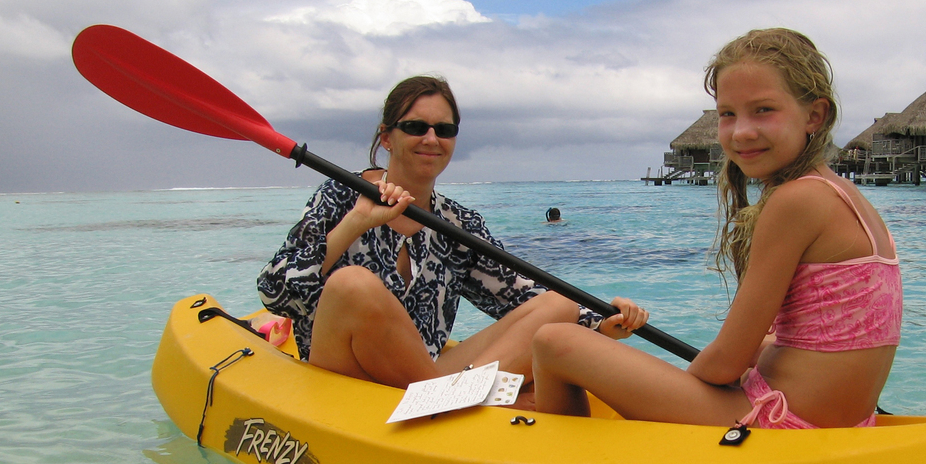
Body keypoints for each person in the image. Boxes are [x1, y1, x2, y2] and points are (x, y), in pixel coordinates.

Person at [531, 28, 900, 428]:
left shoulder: (796, 201)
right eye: (728, 114)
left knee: (555, 341)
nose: (741, 131)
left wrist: (680, 391)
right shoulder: (847, 198)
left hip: (781, 422)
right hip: (838, 420)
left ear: (815, 115)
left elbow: (726, 361)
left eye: (763, 110)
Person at [258, 75, 646, 389]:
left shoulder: (458, 224)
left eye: (444, 129)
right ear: (387, 137)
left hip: (424, 375)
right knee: (352, 285)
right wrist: (357, 222)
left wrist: (602, 323)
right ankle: (450, 401)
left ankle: (443, 401)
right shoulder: (341, 195)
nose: (431, 138)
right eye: (415, 127)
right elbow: (276, 292)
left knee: (558, 306)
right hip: (346, 373)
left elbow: (518, 295)